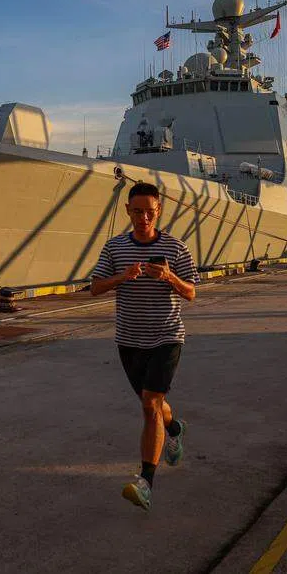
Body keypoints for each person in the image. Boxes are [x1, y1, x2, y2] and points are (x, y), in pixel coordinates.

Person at [90, 181, 199, 511]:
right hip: (129, 340)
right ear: (127, 210)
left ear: (159, 210)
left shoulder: (176, 248)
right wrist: (123, 277)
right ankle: (174, 428)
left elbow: (191, 292)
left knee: (150, 404)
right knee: (153, 403)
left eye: (150, 212)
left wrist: (169, 277)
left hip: (167, 336)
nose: (144, 218)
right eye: (137, 212)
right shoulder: (114, 248)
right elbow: (95, 287)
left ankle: (146, 483)